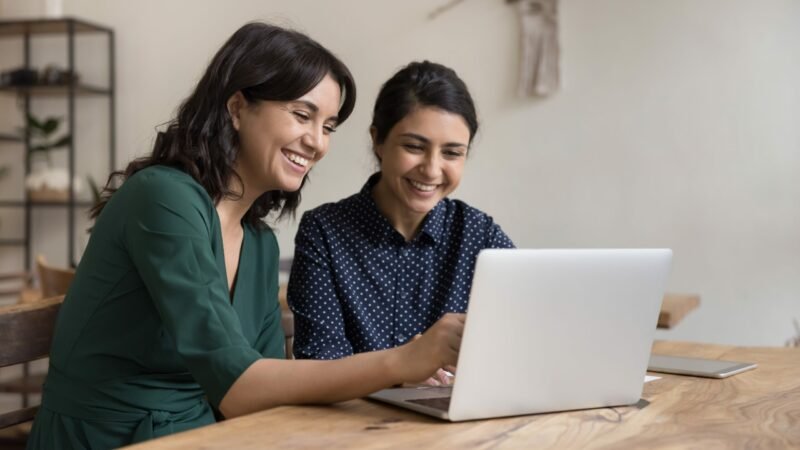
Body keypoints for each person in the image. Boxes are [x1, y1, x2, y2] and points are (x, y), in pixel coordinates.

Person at [27, 24, 464, 449]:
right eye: (301, 114)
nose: (316, 142)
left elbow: (265, 386)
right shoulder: (163, 198)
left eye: (328, 126)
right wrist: (400, 361)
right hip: (110, 439)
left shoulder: (259, 242)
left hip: (206, 434)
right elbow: (238, 386)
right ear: (236, 108)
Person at [287, 61, 514, 380]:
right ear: (378, 141)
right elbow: (319, 364)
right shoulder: (324, 231)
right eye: (414, 147)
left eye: (451, 153)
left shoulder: (480, 235)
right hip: (352, 422)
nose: (432, 170)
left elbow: (521, 345)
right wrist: (402, 371)